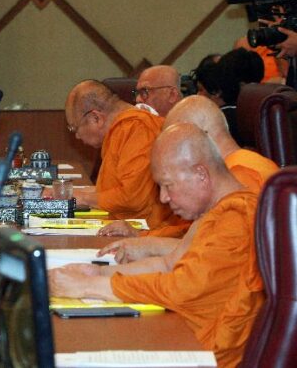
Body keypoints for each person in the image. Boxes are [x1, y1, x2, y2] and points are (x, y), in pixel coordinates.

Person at [49, 123, 264, 368]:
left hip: (205, 355)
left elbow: (183, 288)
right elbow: (170, 265)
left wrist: (89, 286)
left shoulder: (238, 217)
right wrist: (99, 272)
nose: (162, 198)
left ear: (201, 174)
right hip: (184, 336)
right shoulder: (214, 213)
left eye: (168, 185)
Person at [98, 94, 278, 253]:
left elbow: (214, 253)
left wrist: (150, 244)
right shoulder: (223, 171)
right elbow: (195, 233)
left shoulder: (242, 175)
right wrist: (142, 235)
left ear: (199, 137)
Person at [65, 80, 182, 230]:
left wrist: (80, 197)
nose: (77, 137)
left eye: (74, 128)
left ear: (96, 118)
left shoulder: (136, 128)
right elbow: (112, 189)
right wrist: (69, 193)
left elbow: (133, 197)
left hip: (150, 232)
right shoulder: (122, 130)